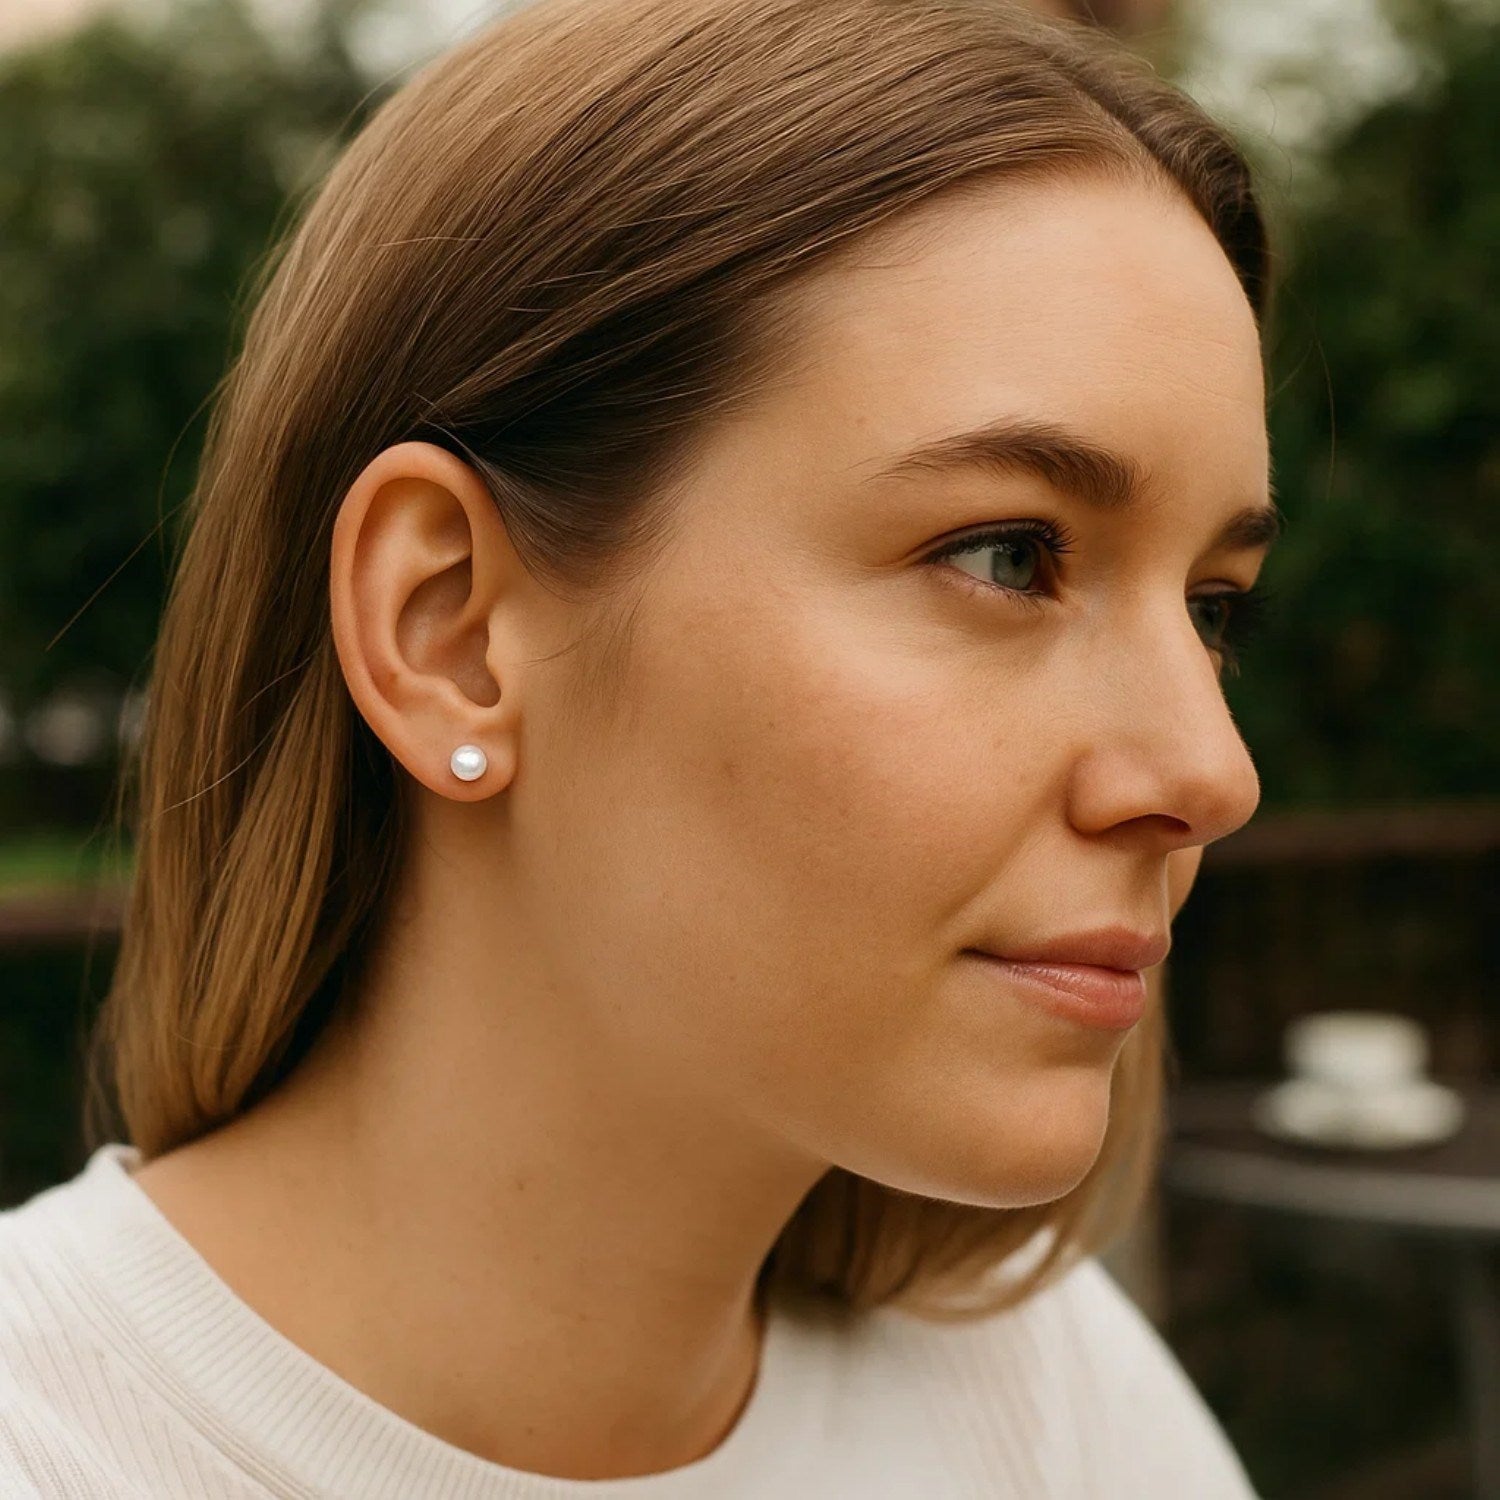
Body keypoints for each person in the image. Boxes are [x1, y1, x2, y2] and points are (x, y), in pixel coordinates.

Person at [0, 0, 1283, 1493]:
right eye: (1008, 555)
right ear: (449, 632)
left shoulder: (1052, 1405)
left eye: (1212, 606)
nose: (1212, 774)